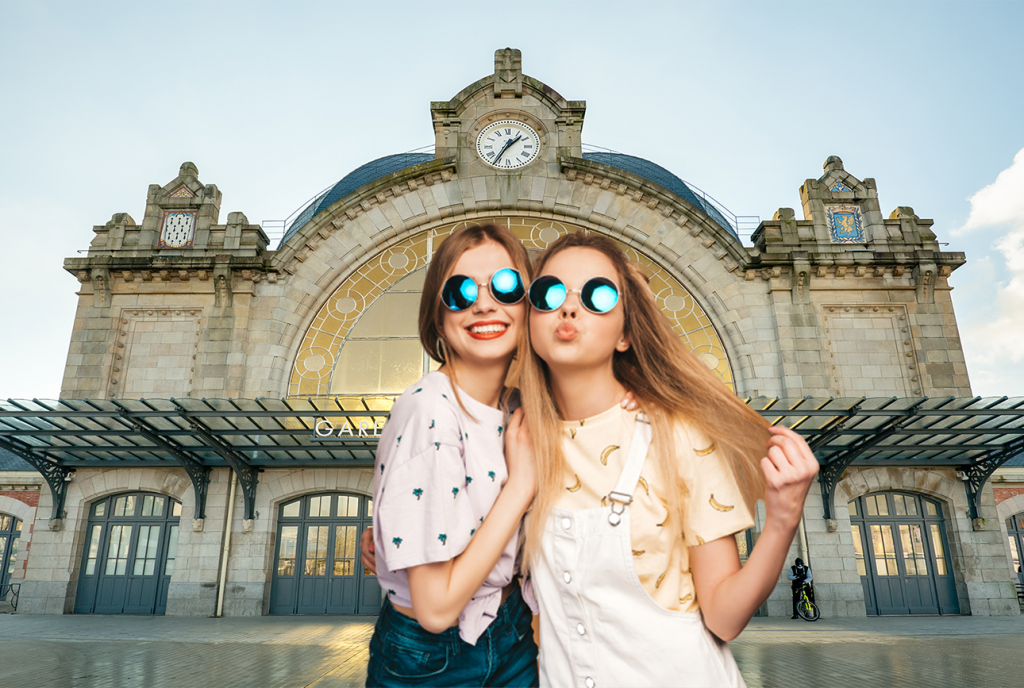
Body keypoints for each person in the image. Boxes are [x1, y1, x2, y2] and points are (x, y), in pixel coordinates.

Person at [516, 232, 820, 687]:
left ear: (624, 334)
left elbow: (723, 617)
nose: (569, 307)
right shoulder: (516, 440)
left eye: (598, 295)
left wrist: (781, 520)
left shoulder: (679, 432)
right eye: (549, 292)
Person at [365, 224, 539, 688]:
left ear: (528, 305)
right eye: (460, 291)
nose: (484, 303)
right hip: (431, 660)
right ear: (438, 317)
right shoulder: (430, 410)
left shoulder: (517, 406)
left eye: (506, 286)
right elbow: (437, 608)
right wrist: (521, 487)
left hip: (510, 630)